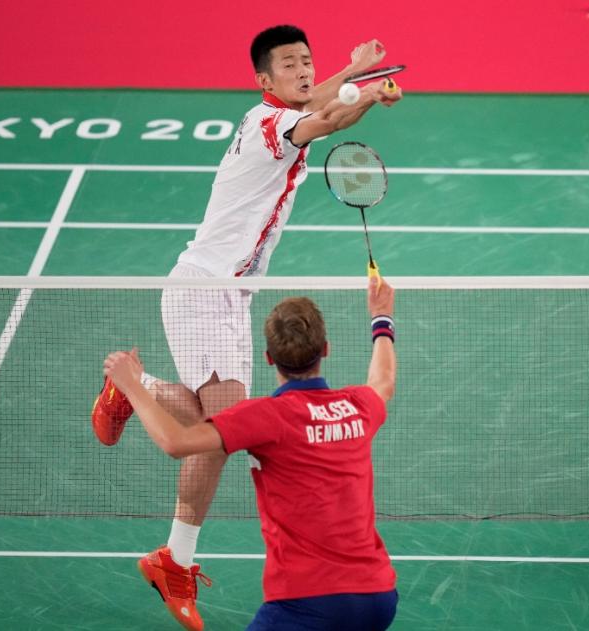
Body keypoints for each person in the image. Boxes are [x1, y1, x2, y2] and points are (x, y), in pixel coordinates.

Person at [91, 24, 402, 630]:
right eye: (289, 65)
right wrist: (368, 95)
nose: (304, 71)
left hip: (232, 295)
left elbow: (317, 103)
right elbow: (326, 121)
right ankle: (173, 560)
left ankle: (136, 389)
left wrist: (357, 71)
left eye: (307, 61)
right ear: (265, 80)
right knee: (227, 428)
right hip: (204, 287)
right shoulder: (269, 127)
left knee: (218, 424)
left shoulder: (281, 111)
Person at [103, 276, 398, 631]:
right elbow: (383, 380)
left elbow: (176, 442)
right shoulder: (358, 406)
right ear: (325, 349)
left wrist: (133, 385)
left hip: (306, 603)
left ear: (269, 358)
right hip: (379, 596)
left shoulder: (264, 418)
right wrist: (381, 318)